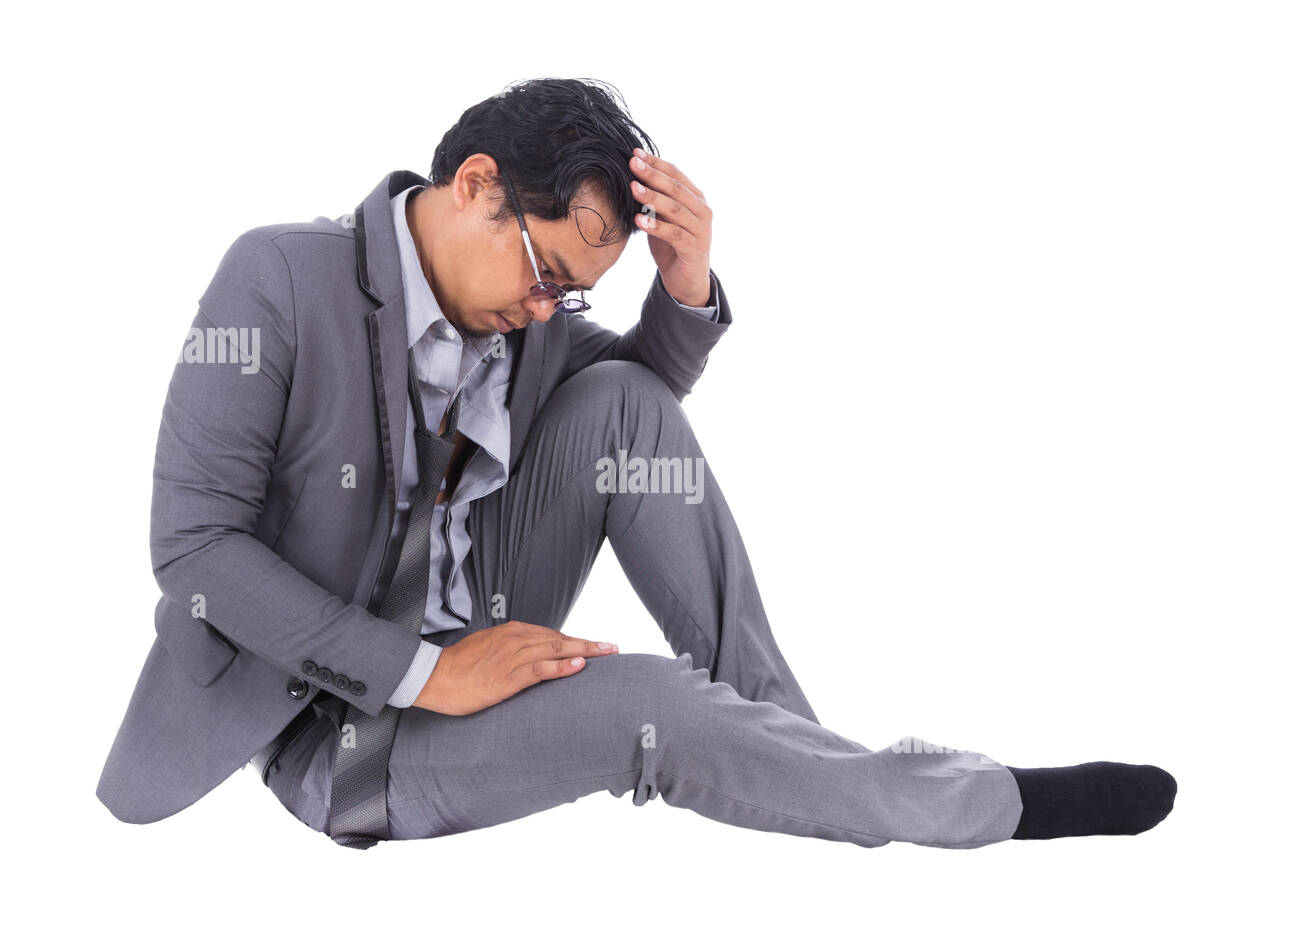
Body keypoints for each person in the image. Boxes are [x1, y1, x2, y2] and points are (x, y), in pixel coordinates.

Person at [97, 77, 1176, 850]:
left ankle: (797, 751)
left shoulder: (518, 314)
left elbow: (640, 397)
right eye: (545, 272)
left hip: (483, 619)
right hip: (344, 728)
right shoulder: (280, 277)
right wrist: (427, 672)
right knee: (644, 710)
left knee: (616, 398)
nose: (542, 309)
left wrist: (687, 283)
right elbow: (193, 549)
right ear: (477, 183)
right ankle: (964, 804)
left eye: (566, 296)